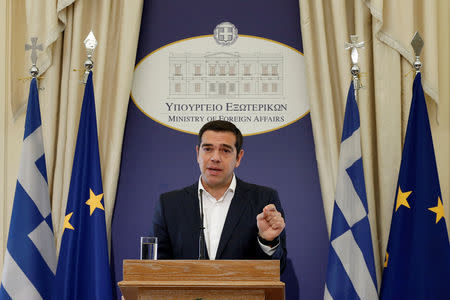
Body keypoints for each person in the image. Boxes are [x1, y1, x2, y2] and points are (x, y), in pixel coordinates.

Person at [151, 120, 287, 271]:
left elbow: (278, 270)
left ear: (238, 158)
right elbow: (156, 268)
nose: (215, 157)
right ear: (198, 154)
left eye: (225, 150)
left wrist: (267, 241)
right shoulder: (169, 204)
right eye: (208, 149)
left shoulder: (263, 200)